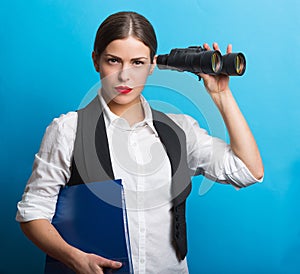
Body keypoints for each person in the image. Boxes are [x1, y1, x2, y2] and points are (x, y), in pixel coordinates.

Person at [16, 11, 264, 274]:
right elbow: (32, 213)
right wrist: (74, 257)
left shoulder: (179, 130)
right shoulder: (68, 130)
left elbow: (249, 171)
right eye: (114, 61)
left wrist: (221, 95)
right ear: (96, 61)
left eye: (137, 62)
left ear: (151, 65)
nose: (125, 76)